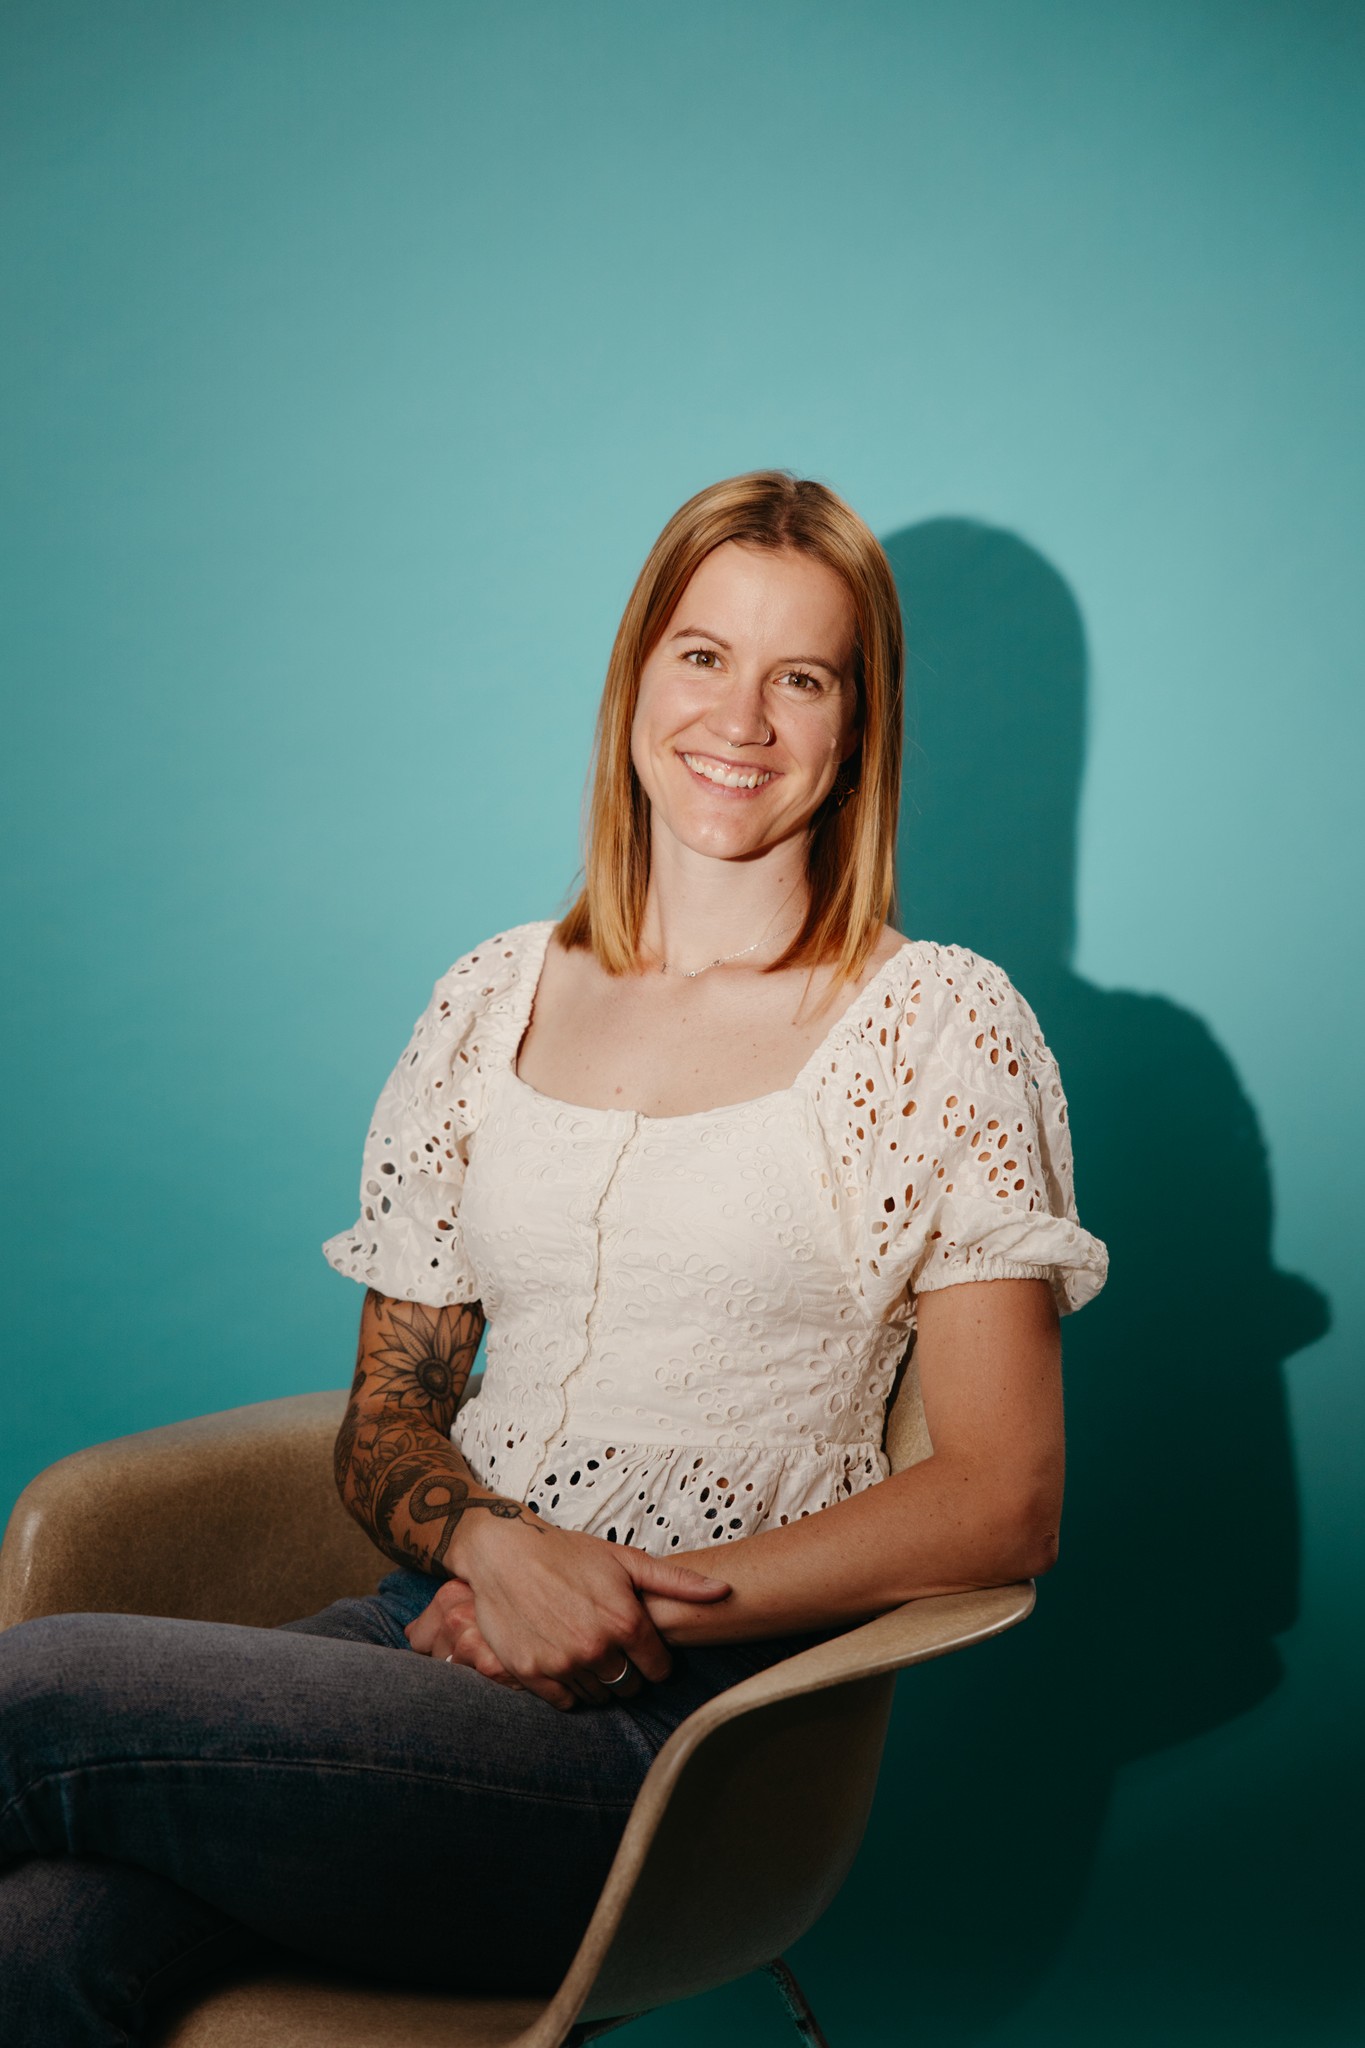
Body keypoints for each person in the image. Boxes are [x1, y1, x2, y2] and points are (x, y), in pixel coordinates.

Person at [0, 471, 1107, 2042]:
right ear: (637, 677)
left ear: (858, 726)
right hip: (419, 1641)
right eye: (703, 655)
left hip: (684, 1750)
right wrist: (491, 1557)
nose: (743, 716)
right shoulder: (489, 996)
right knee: (39, 1940)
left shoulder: (936, 1026)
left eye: (803, 676)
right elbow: (389, 1414)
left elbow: (1004, 1497)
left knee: (30, 1695)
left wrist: (610, 1609)